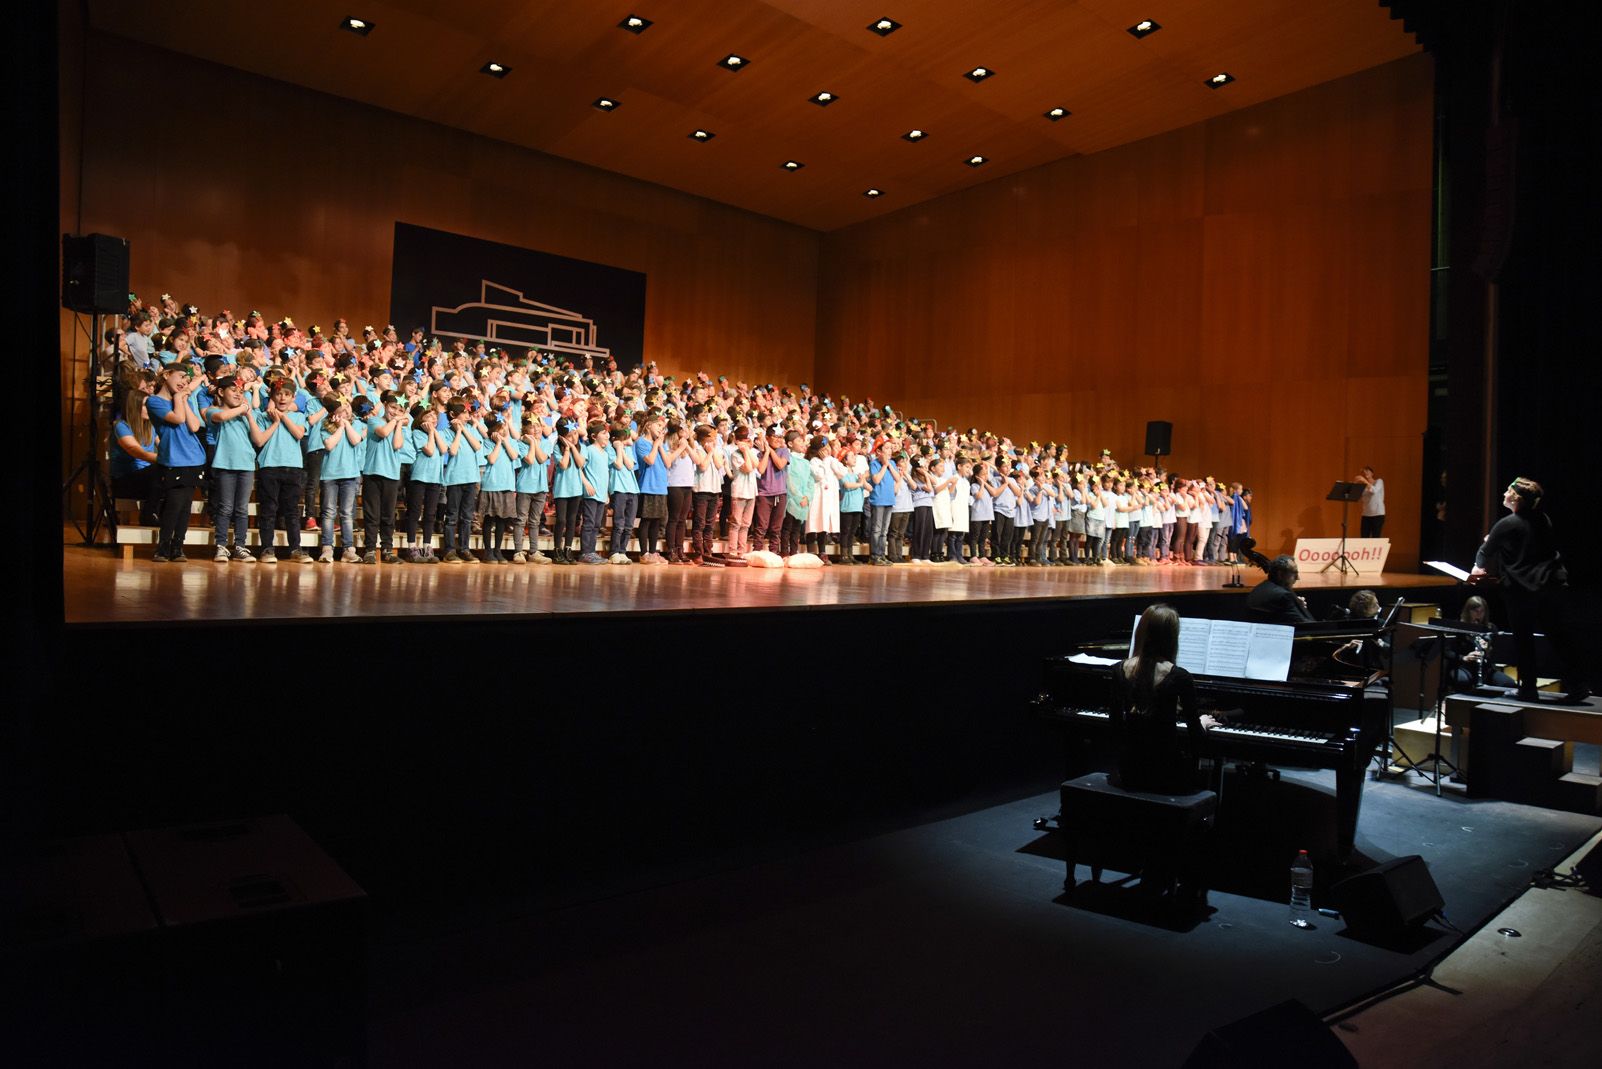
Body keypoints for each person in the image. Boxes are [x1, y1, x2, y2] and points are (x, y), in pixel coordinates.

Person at [1470, 477, 1589, 703]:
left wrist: (1478, 566)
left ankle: (1528, 689)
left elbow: (1484, 554)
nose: (1504, 493)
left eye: (1508, 490)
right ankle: (1579, 684)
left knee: (1523, 640)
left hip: (1522, 590)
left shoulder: (1507, 523)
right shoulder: (1543, 519)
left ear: (1516, 497)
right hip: (1551, 586)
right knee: (1558, 637)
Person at [1110, 604, 1217, 794]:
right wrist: (1202, 722)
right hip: (1166, 773)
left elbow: (1115, 727)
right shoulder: (1180, 676)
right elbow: (1196, 737)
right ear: (1171, 638)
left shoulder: (1118, 670)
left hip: (1129, 771)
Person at [146, 363, 207, 562]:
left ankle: (177, 547)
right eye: (181, 377)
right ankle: (163, 547)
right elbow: (178, 418)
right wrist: (180, 398)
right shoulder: (155, 401)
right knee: (173, 503)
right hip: (174, 458)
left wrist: (183, 399)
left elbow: (195, 425)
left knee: (185, 505)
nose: (184, 382)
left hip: (194, 457)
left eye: (187, 380)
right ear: (165, 375)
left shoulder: (182, 400)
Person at [1245, 555, 1316, 624]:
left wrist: (1296, 604)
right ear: (1280, 574)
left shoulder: (1259, 588)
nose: (1298, 578)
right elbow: (1304, 625)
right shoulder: (1283, 595)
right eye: (1294, 573)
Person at [1357, 466, 1385, 538]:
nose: (1365, 472)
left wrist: (1365, 481)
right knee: (1364, 538)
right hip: (1366, 514)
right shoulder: (1363, 487)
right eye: (1363, 472)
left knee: (1375, 538)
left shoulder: (1379, 481)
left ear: (1372, 473)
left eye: (1367, 471)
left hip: (1377, 514)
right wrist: (1355, 483)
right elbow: (1357, 497)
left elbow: (1374, 490)